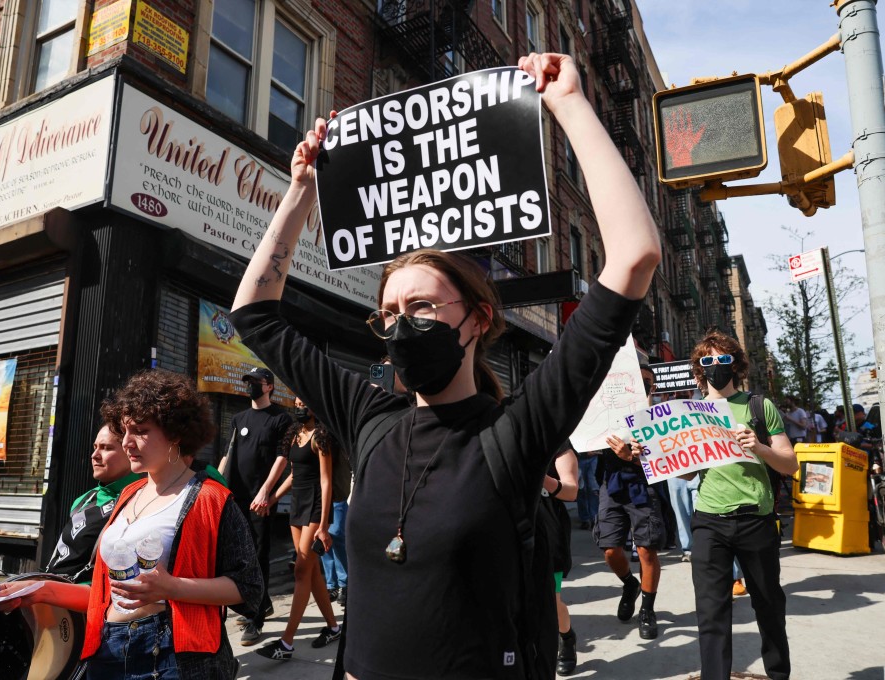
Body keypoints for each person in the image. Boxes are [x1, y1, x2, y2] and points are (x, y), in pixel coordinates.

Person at [228, 52, 661, 679]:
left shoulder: (516, 431)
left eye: (424, 305)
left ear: (479, 318)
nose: (404, 324)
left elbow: (634, 256)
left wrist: (568, 103)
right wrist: (300, 193)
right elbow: (254, 317)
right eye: (390, 312)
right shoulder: (368, 417)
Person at [0, 369, 264, 678]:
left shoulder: (210, 498)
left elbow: (248, 587)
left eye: (141, 431)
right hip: (107, 647)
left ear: (175, 433)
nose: (127, 442)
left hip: (170, 654)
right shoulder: (128, 494)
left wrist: (172, 587)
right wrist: (38, 590)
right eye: (124, 431)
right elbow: (103, 594)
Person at [687, 330, 798, 680]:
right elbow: (685, 473)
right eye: (708, 361)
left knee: (768, 605)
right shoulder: (692, 412)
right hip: (709, 522)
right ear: (699, 369)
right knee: (711, 612)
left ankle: (778, 674)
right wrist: (654, 455)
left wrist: (759, 448)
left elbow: (789, 463)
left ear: (736, 364)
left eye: (723, 359)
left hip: (756, 520)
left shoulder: (758, 406)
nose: (716, 366)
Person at [253, 397, 341, 659]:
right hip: (297, 507)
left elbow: (326, 482)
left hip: (315, 506)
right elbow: (294, 474)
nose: (301, 406)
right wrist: (273, 498)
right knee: (312, 573)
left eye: (305, 401)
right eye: (297, 402)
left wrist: (324, 525)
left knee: (301, 569)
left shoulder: (321, 437)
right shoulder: (295, 434)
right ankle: (334, 627)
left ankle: (287, 642)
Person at [220, 366, 293, 645]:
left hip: (259, 499)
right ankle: (260, 602)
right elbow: (229, 452)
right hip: (234, 496)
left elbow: (281, 458)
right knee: (237, 554)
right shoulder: (239, 418)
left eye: (255, 382)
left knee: (257, 554)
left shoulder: (280, 419)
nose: (250, 386)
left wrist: (265, 492)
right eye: (247, 382)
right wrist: (214, 482)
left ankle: (256, 619)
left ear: (269, 386)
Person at [603, 359, 664, 640]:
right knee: (611, 550)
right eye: (638, 383)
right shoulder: (607, 412)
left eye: (648, 384)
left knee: (646, 550)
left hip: (644, 485)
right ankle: (630, 584)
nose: (643, 388)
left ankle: (647, 610)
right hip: (612, 484)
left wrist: (634, 458)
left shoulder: (662, 418)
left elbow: (667, 460)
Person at [44, 425, 140, 584]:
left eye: (106, 448)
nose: (94, 455)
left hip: (91, 599)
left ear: (130, 452)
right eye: (95, 447)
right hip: (54, 590)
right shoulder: (85, 499)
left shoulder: (140, 500)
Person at [537, 445, 579, 676]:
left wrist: (539, 476)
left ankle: (566, 636)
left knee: (551, 599)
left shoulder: (557, 443)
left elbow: (571, 491)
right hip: (505, 525)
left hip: (545, 528)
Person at [322, 435, 352, 607]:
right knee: (322, 540)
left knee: (337, 535)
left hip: (337, 494)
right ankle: (331, 583)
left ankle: (344, 583)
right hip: (318, 495)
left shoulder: (337, 436)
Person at [576, 448, 601, 530]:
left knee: (593, 489)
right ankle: (585, 519)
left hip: (594, 456)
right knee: (581, 489)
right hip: (579, 457)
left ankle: (594, 519)